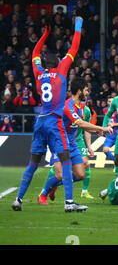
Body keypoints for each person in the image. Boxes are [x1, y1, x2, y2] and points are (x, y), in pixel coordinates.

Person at [12, 17, 86, 212]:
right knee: (66, 161)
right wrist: (78, 25)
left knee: (33, 164)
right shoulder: (61, 70)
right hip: (54, 121)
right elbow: (75, 48)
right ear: (58, 62)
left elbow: (35, 52)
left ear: (44, 63)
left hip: (40, 121)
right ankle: (69, 203)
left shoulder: (38, 72)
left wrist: (44, 35)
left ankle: (18, 199)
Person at [38, 78, 113, 206]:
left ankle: (54, 184)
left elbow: (81, 126)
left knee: (80, 174)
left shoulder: (81, 107)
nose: (88, 92)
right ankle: (44, 193)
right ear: (79, 91)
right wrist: (101, 128)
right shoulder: (68, 106)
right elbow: (80, 123)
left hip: (72, 144)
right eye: (85, 90)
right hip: (59, 143)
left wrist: (96, 132)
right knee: (60, 175)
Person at [102, 96, 118, 162]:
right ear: (107, 102)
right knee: (105, 150)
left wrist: (114, 124)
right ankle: (116, 162)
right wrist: (103, 129)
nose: (110, 103)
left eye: (112, 101)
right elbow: (105, 120)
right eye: (109, 101)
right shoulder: (105, 110)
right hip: (110, 135)